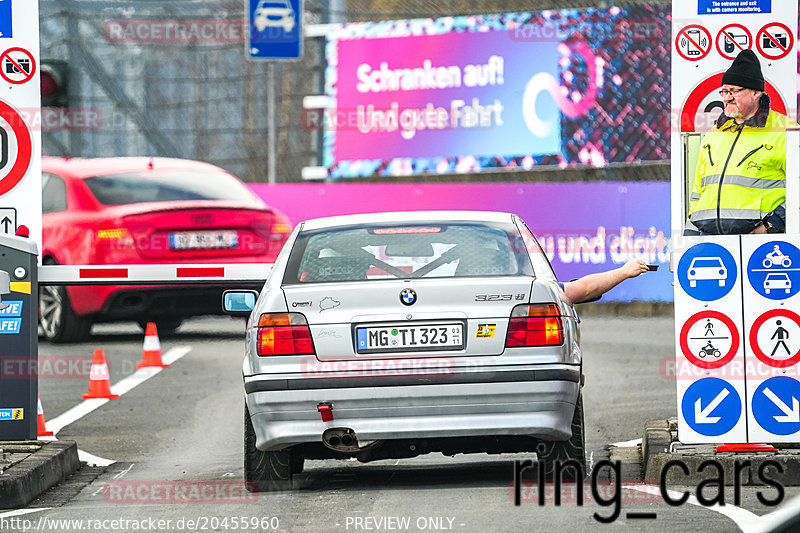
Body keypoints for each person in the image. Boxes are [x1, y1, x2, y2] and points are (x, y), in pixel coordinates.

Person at [684, 49, 799, 236]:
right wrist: (691, 232)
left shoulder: (786, 130)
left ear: (756, 93)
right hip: (708, 238)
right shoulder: (714, 133)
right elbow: (698, 191)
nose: (727, 97)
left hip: (759, 240)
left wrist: (772, 226)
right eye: (724, 91)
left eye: (734, 91)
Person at [563, 258, 650, 304]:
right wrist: (624, 271)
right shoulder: (552, 291)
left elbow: (587, 289)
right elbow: (587, 289)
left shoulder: (549, 289)